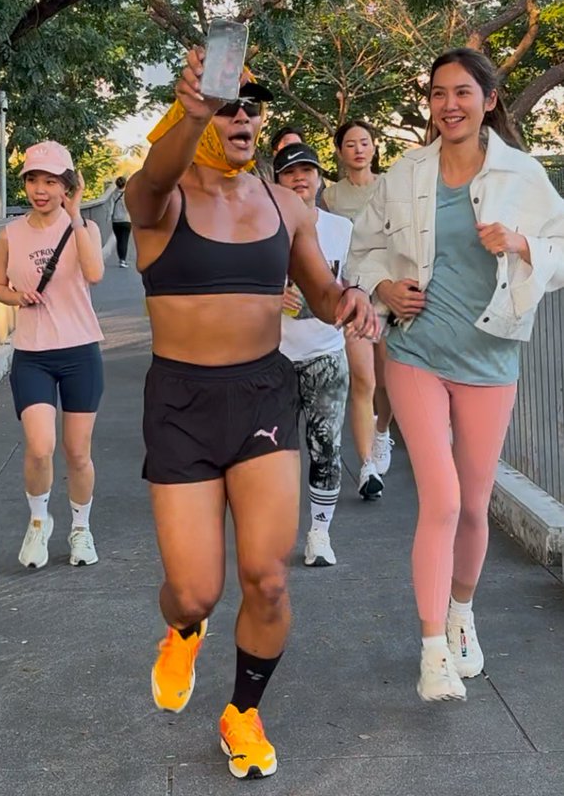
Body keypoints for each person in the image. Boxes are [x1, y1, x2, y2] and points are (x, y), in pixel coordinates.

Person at [126, 53, 379, 780]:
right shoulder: (160, 201)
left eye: (251, 106)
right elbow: (152, 180)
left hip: (263, 393)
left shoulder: (285, 206)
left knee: (268, 578)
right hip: (180, 403)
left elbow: (323, 294)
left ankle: (241, 712)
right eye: (227, 104)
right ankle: (184, 630)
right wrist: (193, 112)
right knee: (194, 591)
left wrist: (351, 300)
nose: (242, 115)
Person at [348, 48, 564, 702]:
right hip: (417, 352)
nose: (449, 105)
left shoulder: (521, 173)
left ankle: (461, 614)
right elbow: (361, 248)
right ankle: (432, 652)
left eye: (463, 92)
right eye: (439, 93)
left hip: (491, 359)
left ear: (488, 100)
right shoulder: (407, 172)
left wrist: (521, 244)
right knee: (440, 500)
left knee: (472, 505)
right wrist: (384, 286)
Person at [0, 141, 105, 570]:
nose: (41, 190)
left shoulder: (84, 229)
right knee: (40, 447)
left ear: (67, 186)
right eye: (33, 180)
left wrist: (75, 217)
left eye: (52, 181)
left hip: (80, 351)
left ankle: (81, 529)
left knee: (77, 452)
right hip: (33, 354)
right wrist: (16, 297)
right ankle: (39, 523)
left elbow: (95, 274)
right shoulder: (10, 234)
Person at [274, 143, 353, 568]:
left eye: (307, 170)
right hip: (274, 357)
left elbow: (357, 282)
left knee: (326, 447)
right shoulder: (260, 229)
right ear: (277, 181)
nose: (300, 178)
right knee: (274, 452)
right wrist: (270, 297)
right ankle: (275, 533)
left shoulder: (342, 228)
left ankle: (320, 533)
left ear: (320, 177)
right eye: (290, 172)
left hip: (326, 354)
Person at [322, 120, 391, 499]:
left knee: (388, 381)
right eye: (350, 144)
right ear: (340, 151)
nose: (359, 149)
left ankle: (382, 432)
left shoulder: (391, 187)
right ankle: (367, 468)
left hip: (389, 293)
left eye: (365, 142)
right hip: (353, 296)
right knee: (363, 381)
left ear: (374, 147)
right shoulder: (331, 197)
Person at [112, 175, 132, 268]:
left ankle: (121, 258)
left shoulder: (113, 195)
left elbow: (110, 208)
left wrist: (109, 218)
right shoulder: (129, 194)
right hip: (126, 220)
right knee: (124, 240)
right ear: (125, 184)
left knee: (119, 240)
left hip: (116, 221)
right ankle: (122, 260)